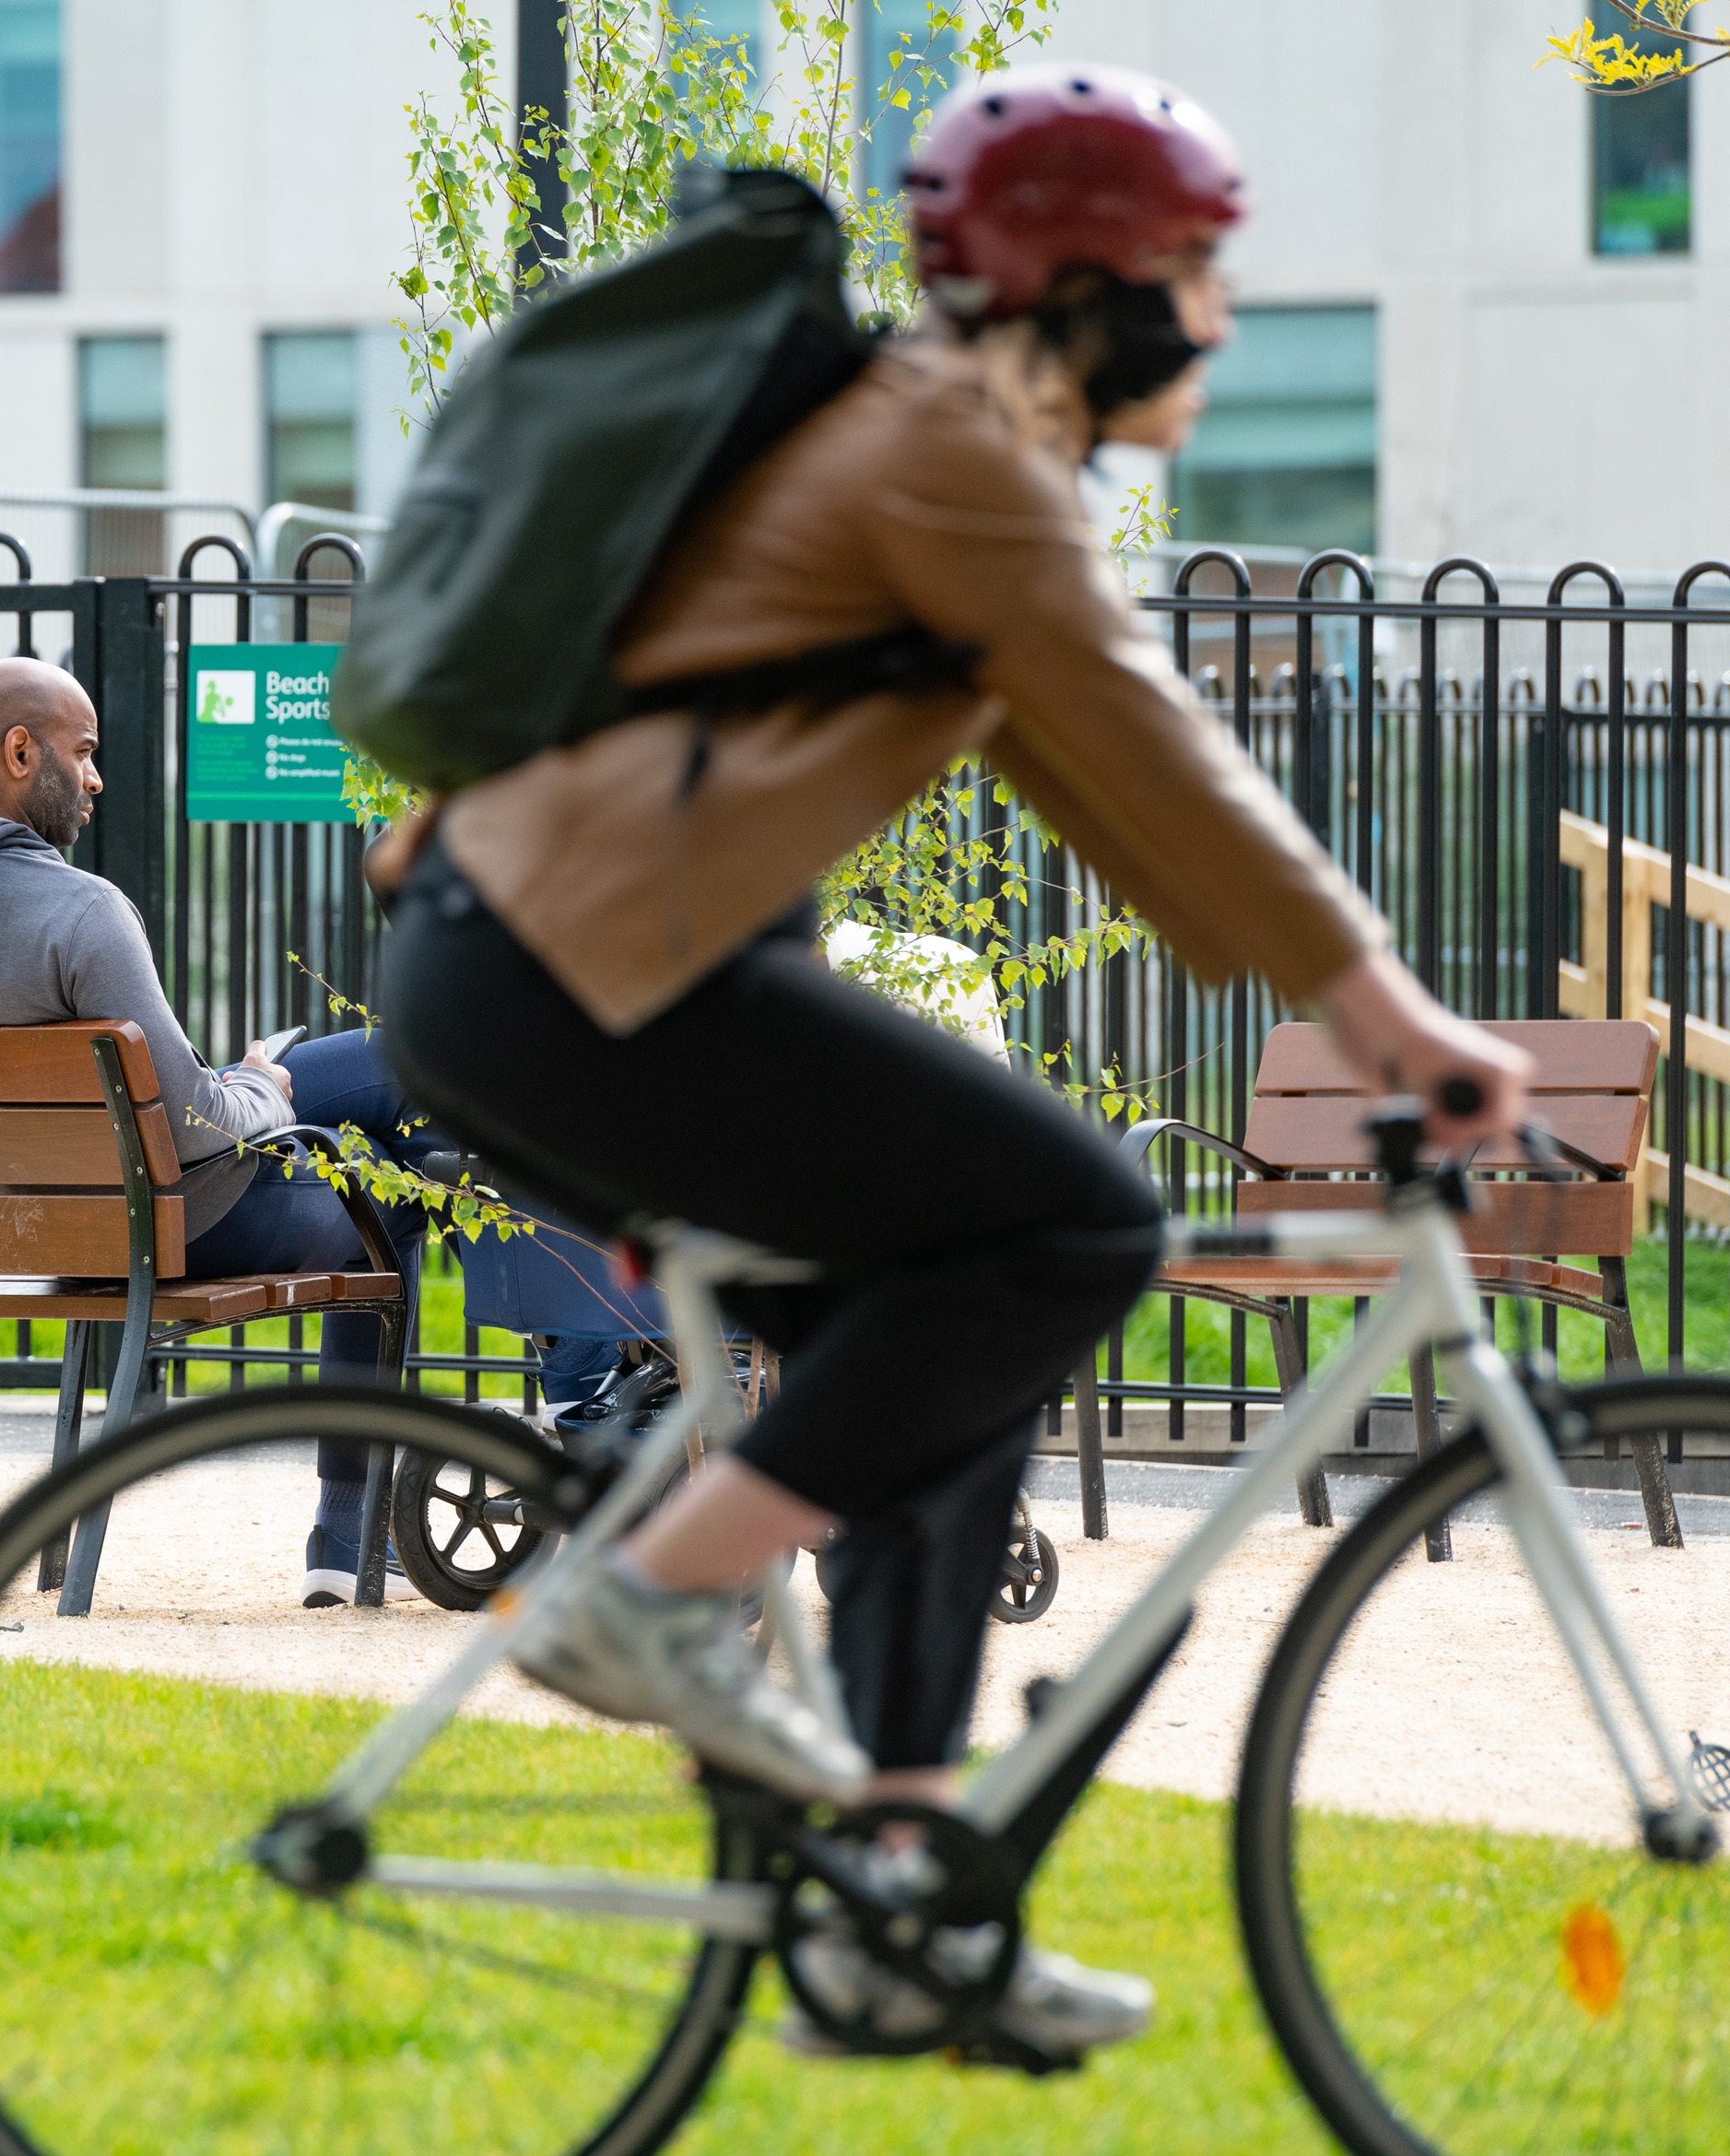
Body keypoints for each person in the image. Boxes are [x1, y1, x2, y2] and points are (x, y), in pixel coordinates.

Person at [371, 65, 1531, 2065]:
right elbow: (1158, 744)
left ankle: (905, 1899)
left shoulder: (952, 460)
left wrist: (1321, 992)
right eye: (1190, 268)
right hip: (567, 975)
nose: (1219, 318)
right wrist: (1394, 1020)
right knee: (1073, 1218)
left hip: (568, 967)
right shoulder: (948, 457)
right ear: (1074, 282)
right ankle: (634, 1603)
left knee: (958, 1328)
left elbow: (1099, 786)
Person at [0, 654, 448, 1606]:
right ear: (17, 749)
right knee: (402, 1167)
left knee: (392, 1069)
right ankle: (353, 1523)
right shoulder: (83, 916)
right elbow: (195, 1124)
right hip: (178, 1219)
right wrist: (265, 1085)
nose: (94, 777)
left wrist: (239, 1085)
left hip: (50, 1224)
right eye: (81, 753)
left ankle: (359, 1524)